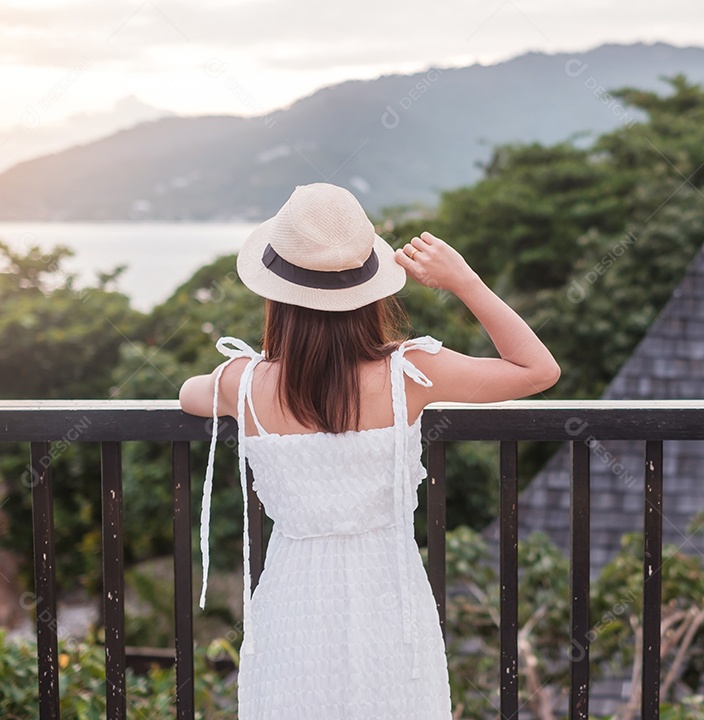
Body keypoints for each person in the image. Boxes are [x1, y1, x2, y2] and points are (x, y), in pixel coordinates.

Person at [178, 182, 559, 719]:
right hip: (390, 592)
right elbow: (538, 370)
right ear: (369, 291)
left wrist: (267, 367)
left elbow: (188, 394)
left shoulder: (242, 384)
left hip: (294, 597)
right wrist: (465, 282)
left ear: (278, 296)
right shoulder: (412, 373)